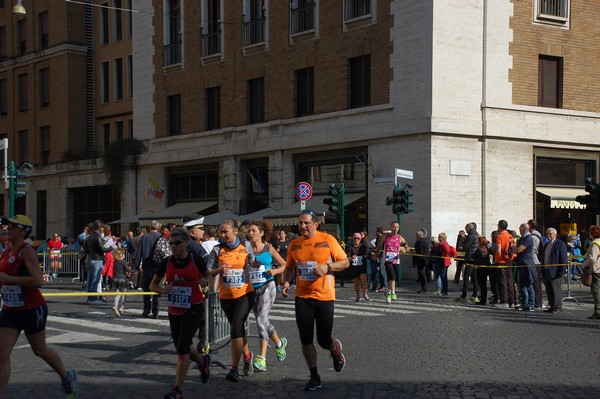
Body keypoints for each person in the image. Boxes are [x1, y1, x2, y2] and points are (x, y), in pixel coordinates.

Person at [0, 215, 79, 398]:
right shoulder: (6, 252)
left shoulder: (26, 251)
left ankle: (67, 376)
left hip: (31, 309)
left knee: (39, 350)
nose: (7, 228)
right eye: (6, 226)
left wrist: (9, 279)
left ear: (23, 230)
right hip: (10, 310)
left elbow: (37, 281)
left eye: (12, 226)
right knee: (1, 354)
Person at [281, 209, 349, 391]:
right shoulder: (294, 244)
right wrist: (286, 282)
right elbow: (289, 267)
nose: (302, 226)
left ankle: (334, 349)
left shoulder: (328, 240)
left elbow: (345, 262)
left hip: (325, 296)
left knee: (323, 339)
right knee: (305, 339)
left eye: (306, 223)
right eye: (300, 223)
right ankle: (314, 375)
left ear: (315, 224)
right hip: (302, 297)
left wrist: (327, 267)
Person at [150, 227, 212, 399]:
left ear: (185, 244)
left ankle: (177, 389)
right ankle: (203, 362)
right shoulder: (166, 262)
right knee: (181, 345)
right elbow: (153, 285)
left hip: (194, 307)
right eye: (171, 243)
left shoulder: (196, 260)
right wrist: (163, 289)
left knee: (183, 347)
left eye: (177, 243)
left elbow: (208, 277)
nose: (173, 246)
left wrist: (204, 281)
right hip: (174, 309)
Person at [207, 219, 256, 383]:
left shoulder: (246, 246)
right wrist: (219, 270)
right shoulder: (216, 249)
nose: (221, 235)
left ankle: (234, 369)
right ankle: (247, 356)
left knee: (236, 327)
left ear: (235, 232)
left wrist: (255, 265)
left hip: (245, 294)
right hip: (226, 296)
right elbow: (207, 272)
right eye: (220, 231)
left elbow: (253, 263)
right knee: (238, 330)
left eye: (225, 231)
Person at [246, 220, 287, 371]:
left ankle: (261, 358)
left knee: (260, 319)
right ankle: (279, 343)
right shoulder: (246, 249)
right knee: (264, 321)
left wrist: (275, 272)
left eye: (253, 231)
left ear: (261, 233)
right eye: (249, 231)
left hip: (267, 286)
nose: (250, 233)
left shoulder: (268, 248)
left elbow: (285, 264)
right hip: (252, 289)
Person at [133, 220, 164, 318]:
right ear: (158, 228)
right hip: (159, 266)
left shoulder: (144, 237)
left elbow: (138, 253)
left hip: (147, 266)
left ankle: (147, 308)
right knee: (157, 287)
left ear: (150, 228)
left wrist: (137, 266)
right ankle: (156, 311)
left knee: (146, 287)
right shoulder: (161, 237)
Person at [374, 221, 409, 302]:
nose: (395, 229)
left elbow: (405, 245)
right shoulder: (386, 236)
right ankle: (391, 292)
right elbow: (379, 245)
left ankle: (391, 292)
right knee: (392, 275)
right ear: (391, 227)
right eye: (393, 227)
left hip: (396, 260)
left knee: (393, 277)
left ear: (398, 228)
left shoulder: (399, 237)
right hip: (387, 259)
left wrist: (406, 248)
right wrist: (376, 255)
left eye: (397, 227)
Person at [83, 220, 112, 305]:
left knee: (90, 279)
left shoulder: (88, 237)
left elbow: (85, 249)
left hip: (90, 259)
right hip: (97, 259)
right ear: (99, 228)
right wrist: (110, 248)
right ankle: (93, 298)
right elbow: (102, 249)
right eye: (102, 229)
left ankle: (89, 297)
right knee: (95, 280)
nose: (102, 231)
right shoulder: (97, 236)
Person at [542, 227, 568, 314]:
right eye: (547, 234)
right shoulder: (546, 245)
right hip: (546, 269)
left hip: (555, 271)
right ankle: (552, 306)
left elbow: (563, 258)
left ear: (555, 235)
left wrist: (562, 271)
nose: (548, 235)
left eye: (550, 234)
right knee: (549, 289)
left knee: (555, 289)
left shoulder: (560, 244)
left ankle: (558, 307)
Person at [513, 223, 537, 311]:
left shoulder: (528, 238)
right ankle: (524, 303)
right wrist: (515, 248)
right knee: (521, 285)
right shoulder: (522, 238)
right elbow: (516, 248)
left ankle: (531, 304)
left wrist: (515, 248)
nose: (519, 229)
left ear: (523, 228)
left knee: (528, 285)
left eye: (520, 227)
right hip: (521, 264)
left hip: (527, 264)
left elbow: (519, 249)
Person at [494, 220, 516, 308]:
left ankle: (504, 301)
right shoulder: (510, 236)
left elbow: (499, 250)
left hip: (501, 261)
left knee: (502, 281)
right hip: (509, 260)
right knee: (510, 281)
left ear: (499, 226)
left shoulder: (499, 236)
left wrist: (494, 250)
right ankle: (512, 301)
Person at [581, 225, 600, 319]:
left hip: (597, 270)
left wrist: (583, 266)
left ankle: (598, 311)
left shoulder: (595, 244)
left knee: (596, 291)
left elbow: (592, 258)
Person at [458, 222, 480, 303]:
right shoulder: (476, 234)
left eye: (466, 228)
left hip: (470, 258)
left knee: (466, 277)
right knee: (474, 278)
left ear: (469, 228)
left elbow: (466, 247)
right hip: (474, 258)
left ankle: (464, 295)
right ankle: (475, 295)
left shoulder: (471, 236)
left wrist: (462, 246)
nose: (465, 229)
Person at [111, 248, 135, 317]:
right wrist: (134, 271)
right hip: (122, 279)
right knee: (124, 293)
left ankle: (115, 306)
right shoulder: (123, 262)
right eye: (123, 254)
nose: (124, 255)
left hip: (115, 279)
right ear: (121, 255)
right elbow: (128, 270)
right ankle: (122, 307)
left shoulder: (115, 262)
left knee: (117, 293)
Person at [347, 232, 369, 302]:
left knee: (364, 279)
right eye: (355, 238)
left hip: (362, 266)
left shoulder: (364, 246)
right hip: (354, 268)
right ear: (353, 239)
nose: (356, 240)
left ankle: (365, 293)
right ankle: (357, 295)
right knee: (356, 282)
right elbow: (348, 257)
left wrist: (361, 257)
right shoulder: (350, 248)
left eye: (358, 238)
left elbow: (367, 255)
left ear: (360, 239)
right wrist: (351, 258)